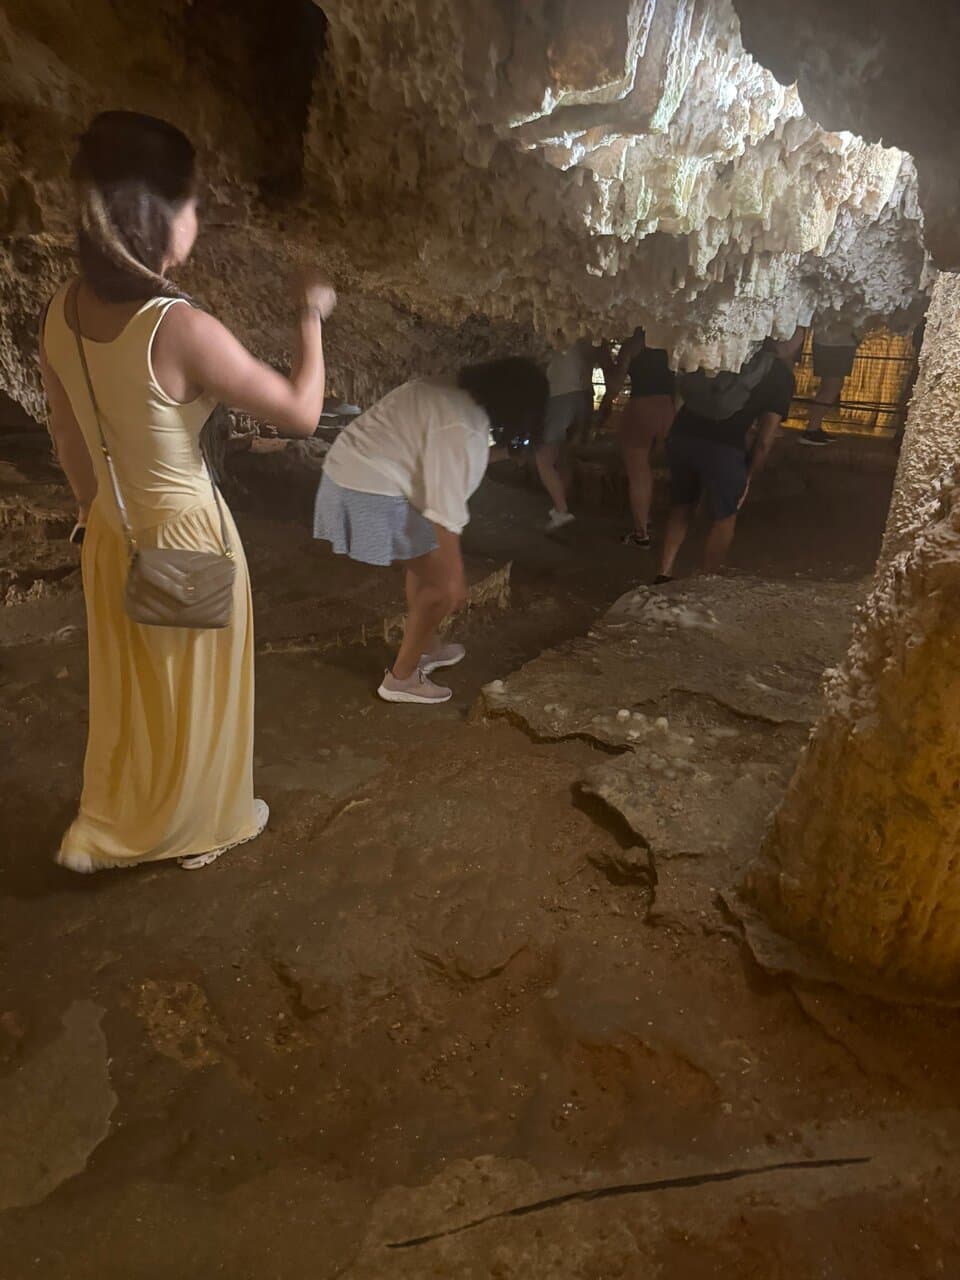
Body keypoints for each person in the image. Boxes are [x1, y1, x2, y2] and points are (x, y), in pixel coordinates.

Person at [41, 111, 337, 872]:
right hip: (187, 534)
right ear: (157, 216)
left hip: (112, 530)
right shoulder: (177, 327)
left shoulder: (61, 313)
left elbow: (69, 438)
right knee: (195, 692)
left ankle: (108, 823)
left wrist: (89, 510)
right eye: (193, 204)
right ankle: (201, 827)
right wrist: (311, 314)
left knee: (133, 691)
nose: (198, 218)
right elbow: (302, 413)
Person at [314, 359, 548, 705]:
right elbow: (443, 511)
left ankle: (425, 646)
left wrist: (504, 452)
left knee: (426, 566)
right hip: (365, 492)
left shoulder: (446, 386)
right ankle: (402, 678)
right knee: (442, 588)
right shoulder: (464, 426)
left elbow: (443, 451)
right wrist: (455, 576)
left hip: (354, 473)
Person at [657, 331, 803, 582]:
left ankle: (664, 572)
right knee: (725, 516)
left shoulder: (729, 349)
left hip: (682, 434)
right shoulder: (780, 375)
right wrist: (748, 476)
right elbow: (765, 440)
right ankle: (707, 580)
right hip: (724, 447)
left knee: (682, 505)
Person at [598, 327, 676, 548]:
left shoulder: (633, 345)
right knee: (651, 467)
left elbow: (615, 384)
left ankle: (641, 534)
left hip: (641, 407)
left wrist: (605, 362)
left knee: (638, 472)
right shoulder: (671, 338)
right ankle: (647, 517)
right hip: (668, 409)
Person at [536, 337, 596, 531]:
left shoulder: (556, 332)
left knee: (543, 458)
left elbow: (539, 358)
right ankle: (560, 504)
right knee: (565, 455)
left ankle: (561, 511)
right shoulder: (585, 333)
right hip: (583, 395)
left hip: (560, 395)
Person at [800, 327, 860, 446]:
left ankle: (814, 427)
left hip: (832, 342)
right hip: (834, 344)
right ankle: (811, 430)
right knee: (832, 387)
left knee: (829, 386)